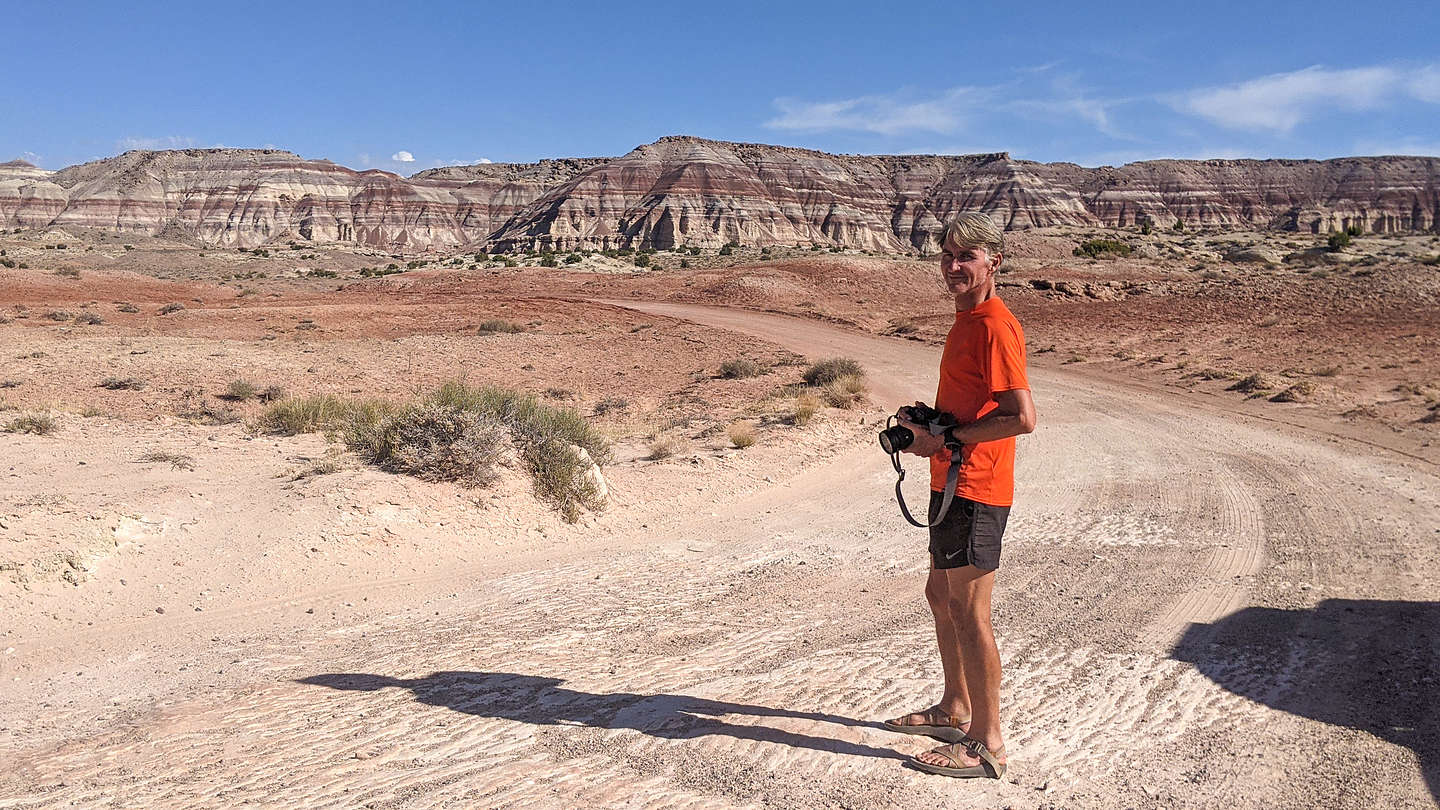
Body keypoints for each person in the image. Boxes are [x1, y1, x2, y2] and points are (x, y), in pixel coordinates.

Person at [881, 211, 1036, 779]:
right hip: (951, 481)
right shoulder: (966, 321)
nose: (953, 266)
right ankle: (955, 706)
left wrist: (946, 438)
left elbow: (1022, 418)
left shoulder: (994, 324)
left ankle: (987, 742)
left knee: (971, 612)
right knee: (940, 597)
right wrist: (933, 422)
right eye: (947, 255)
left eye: (966, 256)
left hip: (977, 486)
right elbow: (978, 407)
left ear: (994, 260)